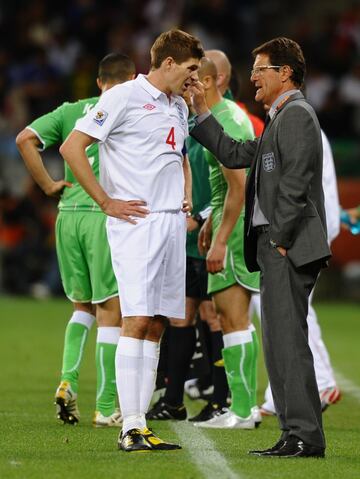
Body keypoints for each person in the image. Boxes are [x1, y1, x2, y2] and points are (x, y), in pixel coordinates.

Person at [60, 29, 204, 452]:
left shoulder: (179, 105)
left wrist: (187, 196)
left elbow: (177, 157)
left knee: (158, 322)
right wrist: (105, 201)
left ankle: (140, 425)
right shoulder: (123, 96)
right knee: (136, 319)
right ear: (169, 63)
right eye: (191, 69)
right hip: (136, 223)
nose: (194, 78)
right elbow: (73, 147)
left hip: (171, 223)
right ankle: (130, 426)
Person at [190, 37, 330, 458]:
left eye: (260, 69)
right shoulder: (278, 118)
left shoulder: (298, 115)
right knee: (278, 343)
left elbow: (296, 183)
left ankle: (305, 434)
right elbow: (235, 153)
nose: (252, 77)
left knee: (288, 342)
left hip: (287, 246)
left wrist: (281, 239)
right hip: (277, 247)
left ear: (285, 72)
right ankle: (292, 432)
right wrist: (201, 112)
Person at [16, 53, 136, 428]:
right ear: (132, 81)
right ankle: (105, 406)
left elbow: (24, 139)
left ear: (99, 82)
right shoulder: (134, 109)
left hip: (68, 217)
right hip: (104, 216)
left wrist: (50, 186)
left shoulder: (72, 110)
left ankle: (68, 380)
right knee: (111, 311)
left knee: (81, 307)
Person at [187, 57, 260, 430]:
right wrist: (211, 221)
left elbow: (239, 186)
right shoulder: (219, 116)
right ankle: (243, 408)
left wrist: (221, 240)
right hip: (227, 225)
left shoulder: (229, 120)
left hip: (234, 235)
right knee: (230, 319)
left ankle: (244, 410)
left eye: (192, 80)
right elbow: (224, 187)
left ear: (211, 80)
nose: (188, 87)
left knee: (234, 319)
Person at [260, 129, 342, 415]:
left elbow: (298, 184)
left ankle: (322, 381)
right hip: (313, 225)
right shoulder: (308, 129)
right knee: (288, 311)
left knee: (294, 310)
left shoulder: (300, 129)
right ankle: (281, 392)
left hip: (306, 230)